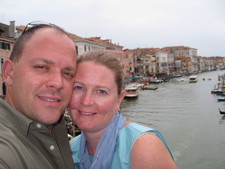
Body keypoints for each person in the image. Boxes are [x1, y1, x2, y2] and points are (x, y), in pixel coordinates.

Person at [69, 51, 177, 169]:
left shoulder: (144, 147)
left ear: (119, 100)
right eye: (78, 87)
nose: (86, 101)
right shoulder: (71, 148)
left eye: (101, 91)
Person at [0, 23, 77, 169]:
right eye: (42, 67)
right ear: (9, 73)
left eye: (68, 73)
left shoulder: (57, 127)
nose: (58, 83)